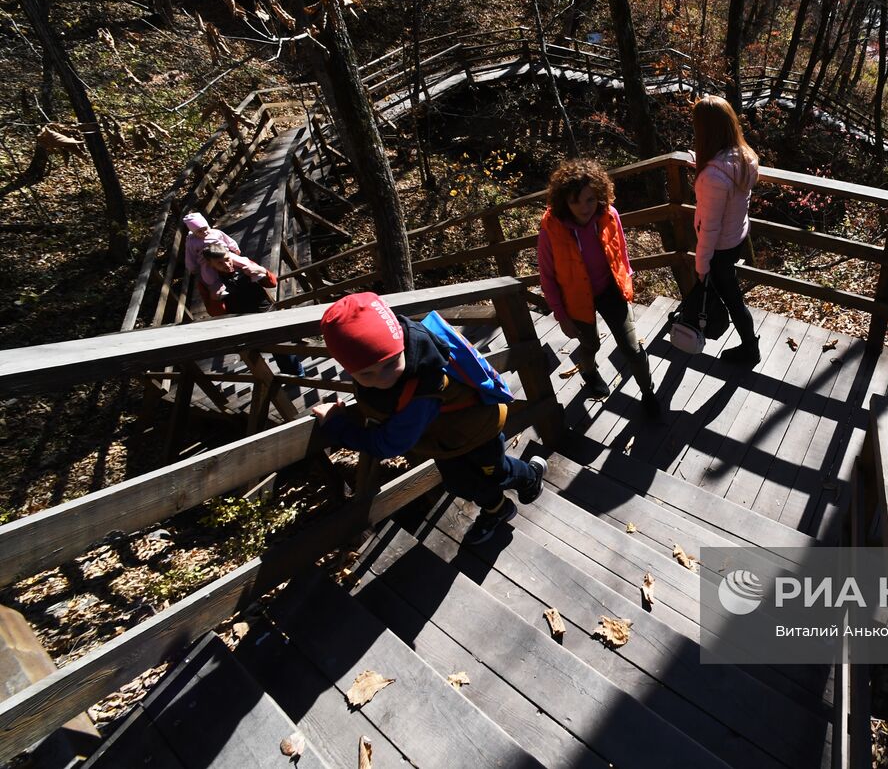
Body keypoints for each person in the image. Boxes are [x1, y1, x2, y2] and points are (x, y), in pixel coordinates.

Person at [310, 291, 547, 545]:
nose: (383, 379)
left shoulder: (423, 387)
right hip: (446, 441)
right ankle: (498, 509)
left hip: (478, 431)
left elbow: (390, 444)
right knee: (462, 483)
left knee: (495, 472)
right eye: (367, 374)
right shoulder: (404, 346)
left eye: (390, 364)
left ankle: (530, 477)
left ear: (400, 342)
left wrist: (338, 425)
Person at [538, 159, 662, 418]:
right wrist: (561, 316)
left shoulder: (609, 215)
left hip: (610, 290)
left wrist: (626, 281)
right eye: (575, 202)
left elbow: (621, 252)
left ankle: (648, 393)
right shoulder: (552, 228)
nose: (584, 208)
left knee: (632, 348)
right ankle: (589, 371)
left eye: (590, 200)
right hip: (575, 298)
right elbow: (547, 276)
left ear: (600, 196)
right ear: (564, 201)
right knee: (590, 344)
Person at [692, 95, 761, 366]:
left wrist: (701, 265)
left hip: (719, 248)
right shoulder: (745, 158)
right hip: (737, 238)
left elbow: (710, 228)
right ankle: (747, 344)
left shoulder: (713, 177)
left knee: (731, 298)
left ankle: (749, 348)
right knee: (729, 291)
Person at [200, 241, 304, 377]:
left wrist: (264, 272)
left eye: (227, 259)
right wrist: (215, 298)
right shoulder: (207, 282)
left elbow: (272, 283)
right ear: (210, 264)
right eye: (219, 263)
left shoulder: (243, 263)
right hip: (243, 322)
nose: (227, 265)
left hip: (266, 312)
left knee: (282, 348)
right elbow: (215, 313)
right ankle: (267, 382)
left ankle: (297, 376)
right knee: (253, 354)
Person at [182, 212, 242, 317]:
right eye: (199, 231)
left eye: (205, 228)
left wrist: (235, 248)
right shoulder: (192, 242)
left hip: (224, 253)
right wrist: (192, 267)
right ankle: (218, 289)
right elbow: (189, 256)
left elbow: (228, 240)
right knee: (208, 276)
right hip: (206, 262)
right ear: (193, 232)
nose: (204, 232)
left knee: (241, 261)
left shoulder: (216, 233)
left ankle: (253, 271)